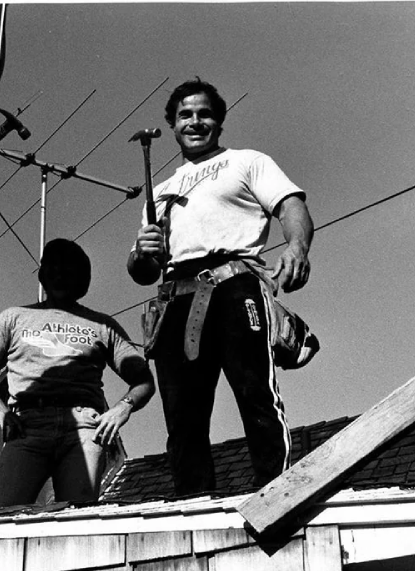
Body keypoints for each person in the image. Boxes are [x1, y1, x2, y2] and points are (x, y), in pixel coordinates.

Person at [127, 78, 315, 496]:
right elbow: (142, 271)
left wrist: (296, 247)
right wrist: (142, 252)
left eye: (204, 114)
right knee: (182, 417)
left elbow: (291, 207)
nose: (195, 122)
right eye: (185, 115)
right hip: (176, 299)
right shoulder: (160, 192)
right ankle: (193, 503)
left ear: (219, 122)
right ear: (173, 125)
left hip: (234, 286)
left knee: (254, 391)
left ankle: (277, 495)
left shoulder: (246, 162)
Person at [0, 239, 155, 506]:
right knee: (3, 515)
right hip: (27, 425)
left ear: (82, 279)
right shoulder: (14, 317)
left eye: (69, 269)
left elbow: (143, 380)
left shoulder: (103, 325)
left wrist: (123, 407)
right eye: (54, 267)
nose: (60, 275)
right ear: (43, 274)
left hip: (84, 427)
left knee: (77, 516)